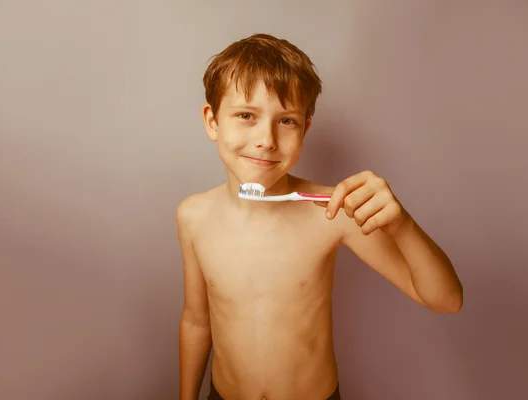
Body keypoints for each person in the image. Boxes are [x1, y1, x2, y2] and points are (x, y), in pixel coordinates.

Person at [177, 33, 463, 400]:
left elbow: (447, 300)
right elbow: (196, 322)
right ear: (212, 121)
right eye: (246, 115)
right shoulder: (193, 216)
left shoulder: (332, 211)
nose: (266, 139)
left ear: (305, 128)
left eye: (286, 121)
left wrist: (402, 226)